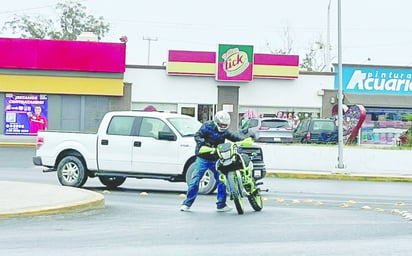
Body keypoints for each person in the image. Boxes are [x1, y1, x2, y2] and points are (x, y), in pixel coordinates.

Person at [180, 110, 245, 212]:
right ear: (216, 122)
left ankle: (221, 204)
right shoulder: (207, 126)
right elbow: (197, 136)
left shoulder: (224, 132)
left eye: (225, 125)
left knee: (221, 181)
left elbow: (233, 137)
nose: (223, 127)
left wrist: (244, 139)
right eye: (221, 124)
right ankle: (187, 204)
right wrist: (204, 144)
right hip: (203, 157)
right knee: (196, 179)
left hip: (216, 158)